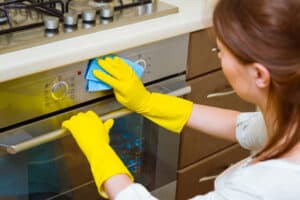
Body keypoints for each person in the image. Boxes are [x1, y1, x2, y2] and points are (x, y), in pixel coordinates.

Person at [62, 0, 300, 199]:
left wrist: (99, 153)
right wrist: (147, 102)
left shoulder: (263, 190)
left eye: (222, 52)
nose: (220, 59)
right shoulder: (290, 120)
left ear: (259, 74)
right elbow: (245, 126)